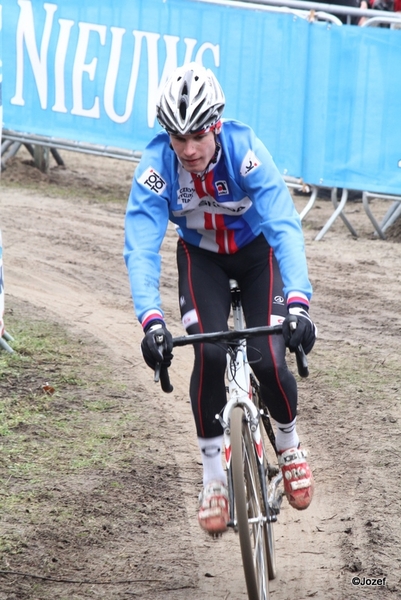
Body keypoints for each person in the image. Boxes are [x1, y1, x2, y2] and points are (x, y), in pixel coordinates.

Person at [124, 62, 317, 536]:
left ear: (216, 126)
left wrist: (298, 304)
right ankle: (213, 478)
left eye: (198, 137)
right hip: (202, 260)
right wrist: (150, 321)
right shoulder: (156, 169)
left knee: (270, 358)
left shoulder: (245, 152)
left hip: (257, 256)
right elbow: (142, 246)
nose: (188, 150)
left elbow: (283, 226)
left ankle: (289, 446)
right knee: (207, 354)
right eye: (177, 138)